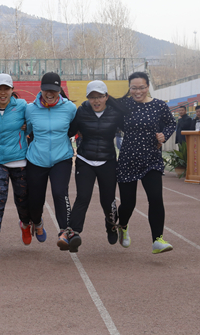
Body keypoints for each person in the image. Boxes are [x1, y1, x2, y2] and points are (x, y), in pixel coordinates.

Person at [116, 72, 176, 254]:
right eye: (134, 88)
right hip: (128, 159)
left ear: (148, 86)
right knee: (128, 203)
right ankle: (123, 225)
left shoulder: (159, 106)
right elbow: (103, 104)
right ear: (129, 88)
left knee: (156, 198)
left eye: (141, 87)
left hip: (151, 159)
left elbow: (171, 123)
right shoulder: (124, 105)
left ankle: (157, 239)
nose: (138, 91)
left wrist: (164, 135)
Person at [68, 80, 127, 251]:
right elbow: (70, 131)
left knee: (108, 200)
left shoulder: (116, 113)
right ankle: (74, 233)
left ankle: (111, 226)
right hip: (85, 160)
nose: (96, 101)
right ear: (88, 98)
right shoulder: (81, 111)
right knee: (82, 197)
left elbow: (131, 129)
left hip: (107, 161)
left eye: (99, 96)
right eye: (92, 97)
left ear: (106, 97)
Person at [24, 72, 77, 248]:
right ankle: (37, 222)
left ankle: (65, 231)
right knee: (35, 200)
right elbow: (26, 131)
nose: (50, 93)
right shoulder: (30, 109)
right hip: (36, 160)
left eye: (54, 90)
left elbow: (75, 128)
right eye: (46, 89)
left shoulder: (70, 108)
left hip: (61, 158)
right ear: (41, 89)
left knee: (60, 193)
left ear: (59, 90)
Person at [0, 73, 29, 254]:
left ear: (12, 90)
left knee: (22, 198)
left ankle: (25, 224)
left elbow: (34, 123)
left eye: (6, 89)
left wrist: (27, 126)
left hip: (20, 160)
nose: (3, 93)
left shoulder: (23, 106)